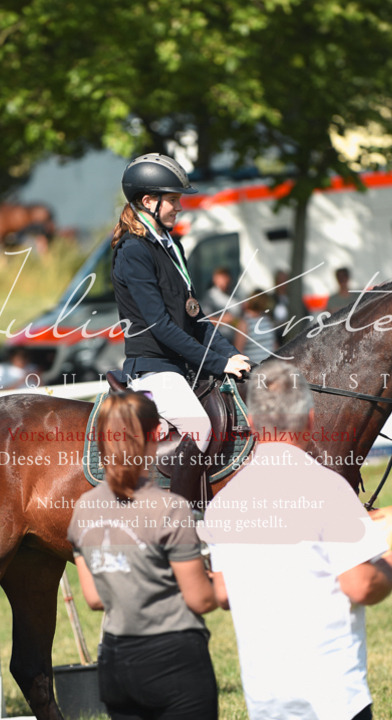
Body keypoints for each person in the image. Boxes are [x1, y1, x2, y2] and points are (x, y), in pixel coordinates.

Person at [199, 359, 392, 720]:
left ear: (251, 420)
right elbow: (360, 585)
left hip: (268, 690)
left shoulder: (226, 501)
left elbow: (219, 593)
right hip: (328, 687)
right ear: (308, 419)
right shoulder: (326, 489)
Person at [68, 391, 224, 720]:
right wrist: (231, 582)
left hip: (117, 663)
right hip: (175, 662)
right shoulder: (171, 509)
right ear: (156, 437)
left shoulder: (84, 510)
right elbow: (200, 598)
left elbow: (92, 598)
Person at [112, 153, 250, 503]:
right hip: (153, 367)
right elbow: (160, 327)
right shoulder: (133, 251)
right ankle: (181, 520)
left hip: (182, 365)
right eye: (173, 199)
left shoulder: (173, 247)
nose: (179, 207)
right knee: (199, 427)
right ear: (148, 201)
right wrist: (217, 364)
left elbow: (195, 319)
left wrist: (232, 355)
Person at [234, 289, 278, 366]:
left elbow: (273, 344)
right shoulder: (244, 323)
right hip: (254, 369)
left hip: (270, 368)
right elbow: (239, 350)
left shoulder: (266, 319)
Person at [200, 267, 241, 341]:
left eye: (226, 278)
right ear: (215, 279)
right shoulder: (210, 296)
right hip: (218, 341)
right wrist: (222, 320)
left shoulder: (235, 294)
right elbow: (204, 320)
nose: (224, 282)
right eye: (221, 279)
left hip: (236, 340)